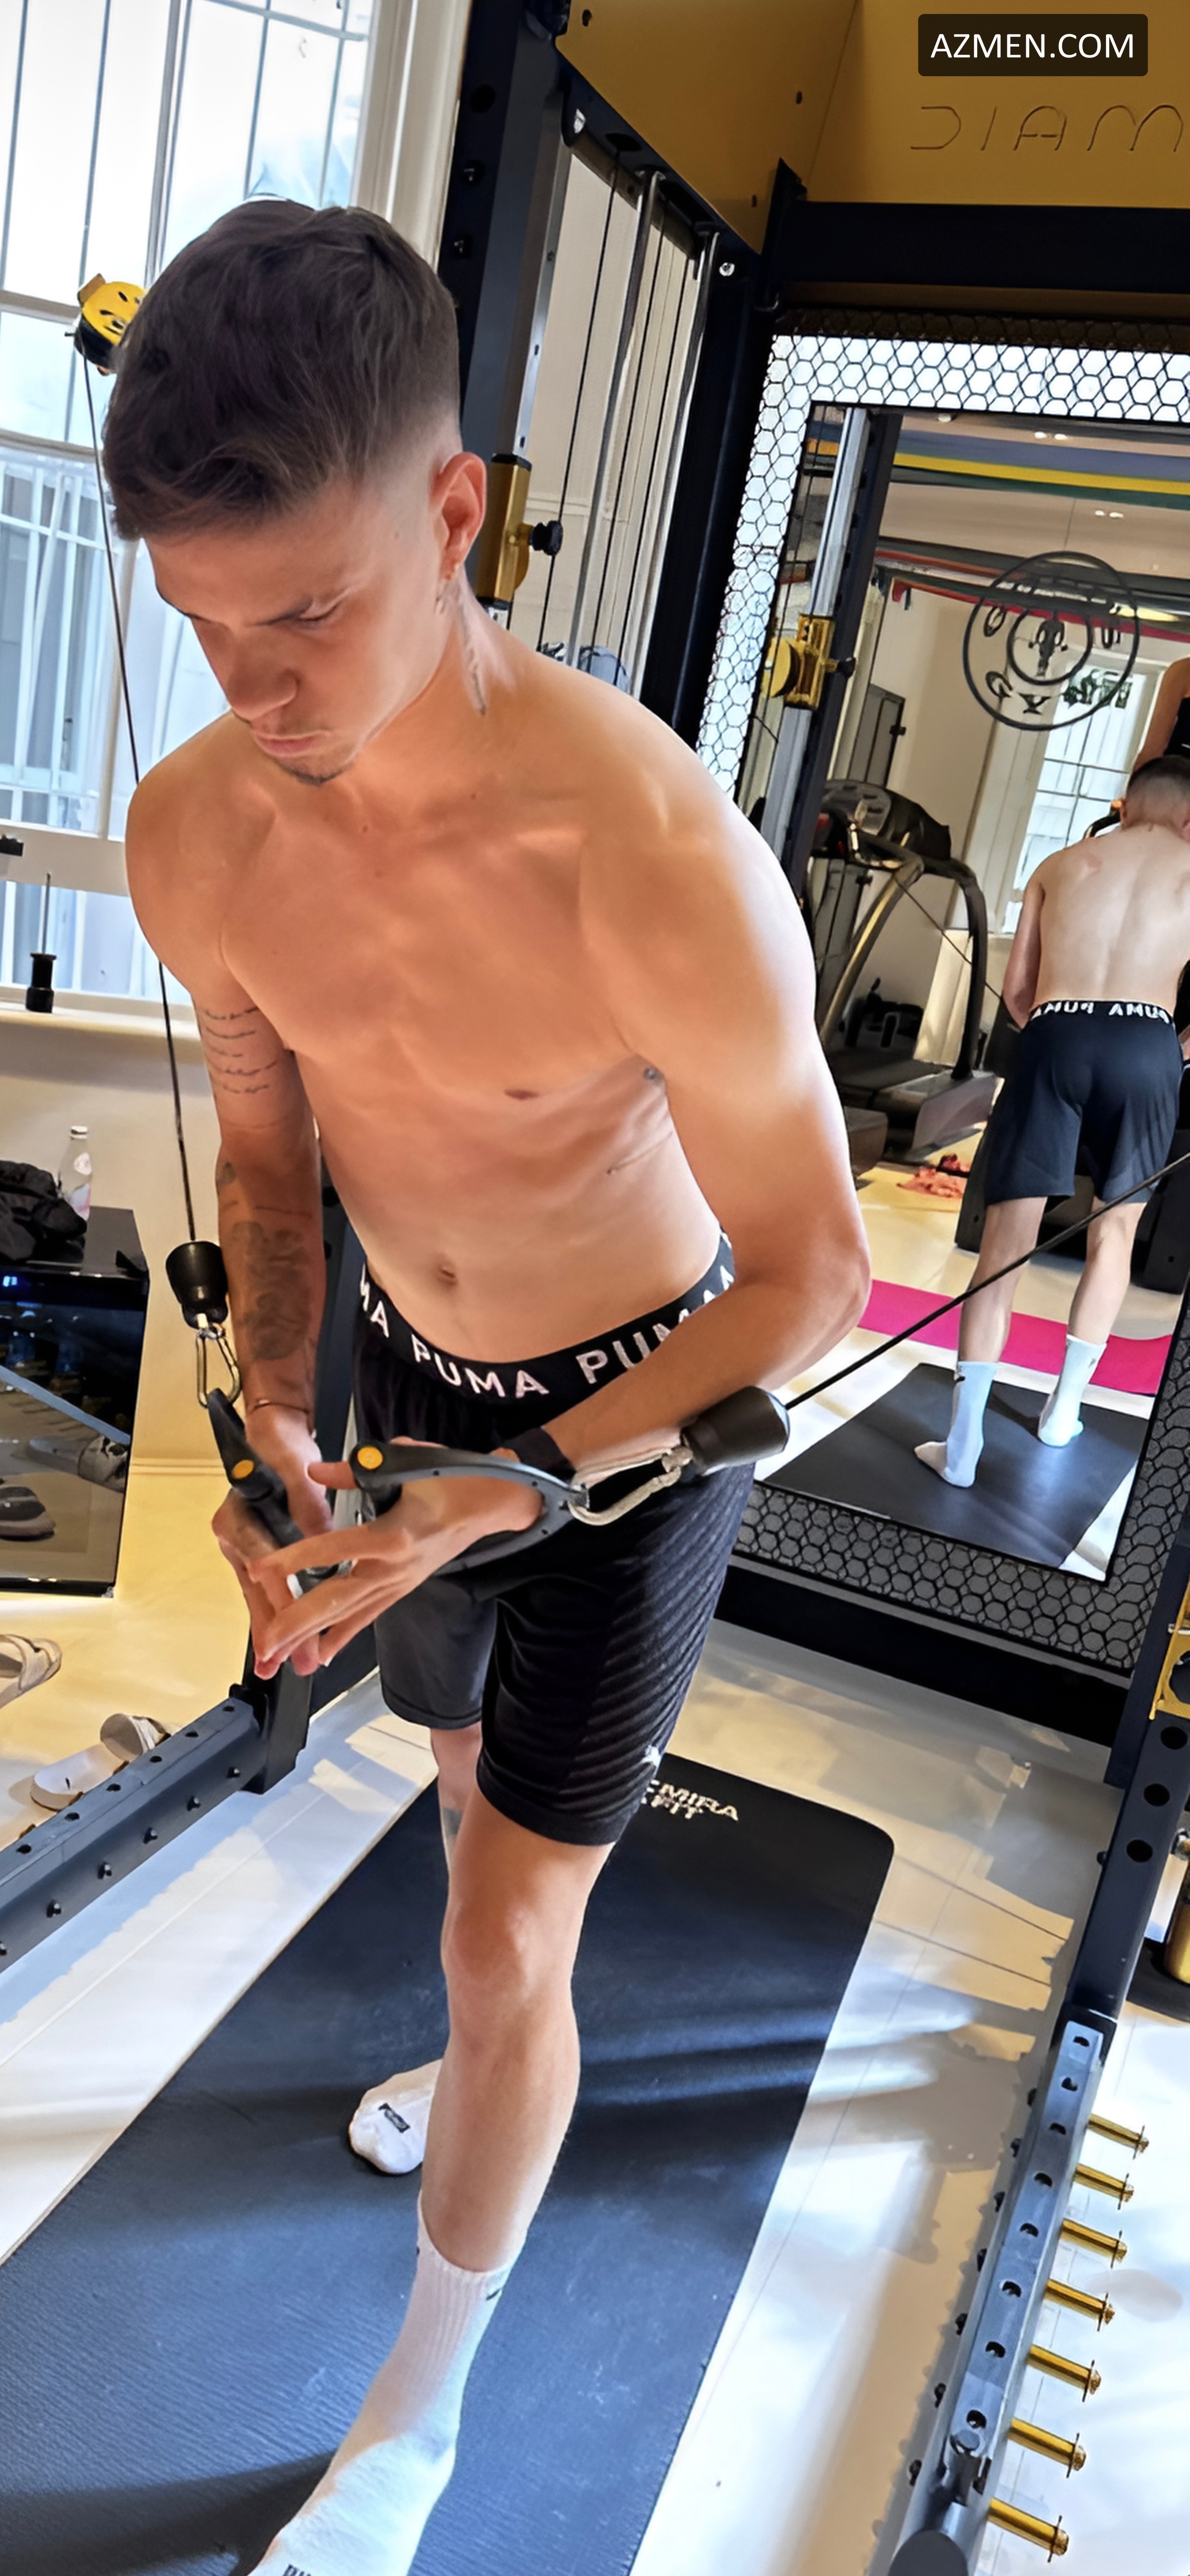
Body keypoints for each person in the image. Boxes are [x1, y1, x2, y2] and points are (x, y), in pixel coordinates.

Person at [107, 200, 868, 2576]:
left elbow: (816, 1272)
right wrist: (280, 1426)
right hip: (413, 1396)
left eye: (306, 615)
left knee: (507, 1923)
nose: (255, 690)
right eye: (202, 623)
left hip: (629, 1423)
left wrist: (522, 1485)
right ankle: (476, 2055)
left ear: (452, 513)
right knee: (455, 1806)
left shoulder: (642, 851)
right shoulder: (198, 832)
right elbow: (266, 1162)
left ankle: (408, 2438)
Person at [917, 754, 1190, 1489]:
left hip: (1055, 1030)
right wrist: (1172, 1051)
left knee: (1005, 1245)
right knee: (1115, 1235)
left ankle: (962, 1447)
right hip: (1147, 1041)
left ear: (1126, 804)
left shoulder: (1062, 864)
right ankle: (1062, 1413)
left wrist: (1060, 1029)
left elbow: (1018, 992)